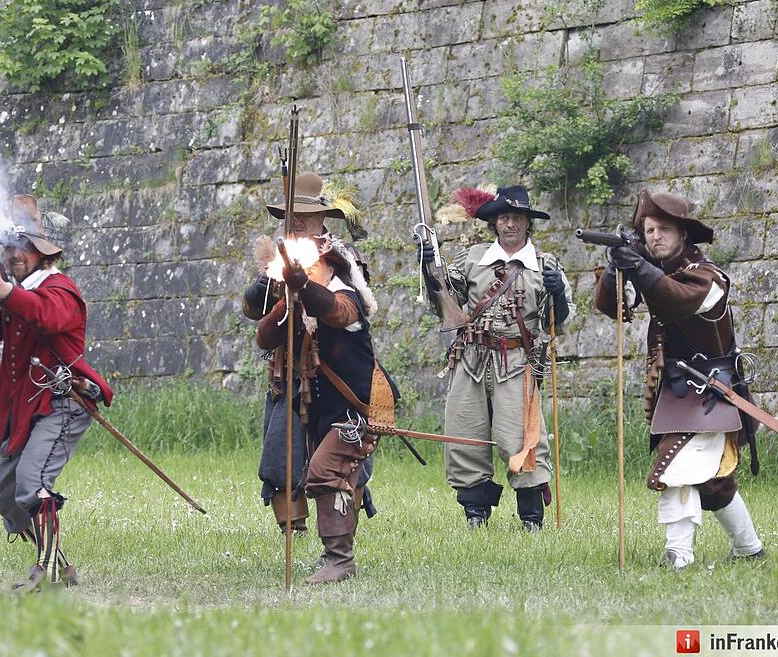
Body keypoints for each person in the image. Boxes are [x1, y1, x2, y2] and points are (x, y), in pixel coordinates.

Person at [0, 195, 112, 590]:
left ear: (44, 253)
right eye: (9, 247)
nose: (15, 254)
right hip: (24, 408)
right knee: (7, 496)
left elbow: (46, 315)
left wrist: (4, 291)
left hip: (63, 403)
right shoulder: (12, 291)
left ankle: (47, 573)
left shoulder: (60, 289)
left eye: (24, 246)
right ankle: (62, 566)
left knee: (32, 482)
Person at [593, 189, 763, 569]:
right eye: (649, 230)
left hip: (711, 393)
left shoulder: (707, 278)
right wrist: (615, 268)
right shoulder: (656, 273)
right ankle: (750, 550)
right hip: (677, 393)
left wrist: (638, 266)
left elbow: (674, 298)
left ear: (683, 234)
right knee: (712, 482)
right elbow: (611, 306)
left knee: (675, 465)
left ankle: (678, 556)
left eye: (664, 229)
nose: (655, 236)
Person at [421, 185, 573, 530]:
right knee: (465, 436)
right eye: (504, 217)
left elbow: (557, 321)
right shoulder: (472, 258)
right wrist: (429, 265)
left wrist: (558, 292)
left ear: (528, 223)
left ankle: (531, 517)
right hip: (471, 359)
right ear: (495, 223)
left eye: (517, 217)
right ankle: (476, 515)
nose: (510, 224)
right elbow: (446, 301)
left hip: (516, 361)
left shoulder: (546, 265)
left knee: (522, 439)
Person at [254, 231, 396, 584]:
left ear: (331, 268)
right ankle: (336, 556)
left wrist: (303, 287)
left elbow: (335, 312)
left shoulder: (347, 297)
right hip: (323, 412)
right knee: (333, 478)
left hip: (356, 409)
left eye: (313, 267)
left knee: (324, 473)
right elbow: (263, 338)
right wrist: (288, 302)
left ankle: (340, 561)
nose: (306, 273)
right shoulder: (298, 303)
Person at [242, 171, 376, 537]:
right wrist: (267, 284)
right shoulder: (279, 257)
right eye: (293, 214)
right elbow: (252, 311)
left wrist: (306, 286)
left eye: (305, 213)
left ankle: (339, 534)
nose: (298, 220)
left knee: (346, 457)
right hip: (291, 371)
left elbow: (348, 311)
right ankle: (293, 528)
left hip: (337, 375)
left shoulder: (341, 258)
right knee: (281, 456)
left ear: (321, 217)